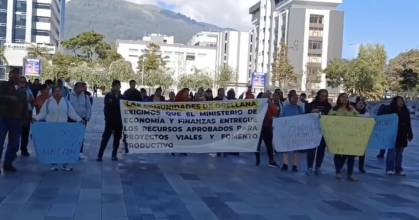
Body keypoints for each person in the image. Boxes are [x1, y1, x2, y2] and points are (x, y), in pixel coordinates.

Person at [34, 86, 82, 171]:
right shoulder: (48, 102)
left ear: (62, 92)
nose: (57, 93)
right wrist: (35, 118)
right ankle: (54, 164)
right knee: (53, 146)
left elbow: (72, 113)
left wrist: (80, 120)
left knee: (64, 147)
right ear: (52, 92)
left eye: (59, 91)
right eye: (55, 91)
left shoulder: (66, 102)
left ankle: (65, 164)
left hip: (63, 129)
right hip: (51, 129)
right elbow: (42, 114)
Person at [0, 69, 28, 173]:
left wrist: (25, 118)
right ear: (9, 76)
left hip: (16, 119)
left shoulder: (22, 90)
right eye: (14, 76)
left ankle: (8, 163)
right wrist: (9, 98)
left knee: (15, 143)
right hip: (3, 117)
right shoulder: (3, 85)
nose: (16, 77)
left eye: (18, 76)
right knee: (0, 142)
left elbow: (25, 105)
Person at [329, 93, 359, 181]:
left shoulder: (351, 109)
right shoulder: (334, 109)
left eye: (346, 98)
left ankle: (350, 174)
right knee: (338, 154)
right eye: (343, 97)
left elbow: (359, 118)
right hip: (338, 136)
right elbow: (329, 121)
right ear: (339, 99)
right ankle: (338, 171)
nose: (345, 99)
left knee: (350, 155)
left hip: (350, 136)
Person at [306, 89, 332, 175]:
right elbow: (305, 115)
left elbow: (332, 118)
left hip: (323, 131)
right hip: (312, 130)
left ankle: (318, 167)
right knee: (311, 149)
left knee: (321, 150)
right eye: (322, 95)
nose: (323, 97)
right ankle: (309, 167)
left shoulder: (328, 106)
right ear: (318, 95)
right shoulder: (311, 104)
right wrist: (311, 112)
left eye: (325, 96)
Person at [386, 96, 413, 176]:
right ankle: (390, 169)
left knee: (400, 153)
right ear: (395, 102)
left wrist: (410, 134)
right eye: (399, 101)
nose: (401, 102)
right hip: (392, 134)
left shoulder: (405, 111)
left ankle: (399, 169)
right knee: (391, 152)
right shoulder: (390, 111)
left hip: (402, 134)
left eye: (402, 100)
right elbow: (386, 122)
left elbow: (408, 123)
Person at [97, 80, 123, 162]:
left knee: (117, 139)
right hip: (110, 122)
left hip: (119, 122)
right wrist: (107, 118)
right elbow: (107, 107)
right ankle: (100, 155)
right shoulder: (108, 96)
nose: (117, 87)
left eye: (118, 86)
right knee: (105, 139)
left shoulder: (122, 97)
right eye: (116, 86)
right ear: (112, 86)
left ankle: (114, 155)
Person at [280, 92, 304, 172]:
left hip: (296, 131)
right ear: (290, 98)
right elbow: (281, 118)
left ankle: (295, 165)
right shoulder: (285, 107)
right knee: (285, 148)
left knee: (296, 149)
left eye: (297, 98)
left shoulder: (299, 108)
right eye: (294, 98)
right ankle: (285, 164)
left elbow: (304, 118)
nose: (295, 100)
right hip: (287, 130)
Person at [68, 82, 92, 158]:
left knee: (80, 136)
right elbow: (66, 107)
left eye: (81, 87)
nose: (81, 89)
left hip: (82, 119)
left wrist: (87, 117)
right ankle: (70, 151)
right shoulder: (69, 96)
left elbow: (89, 107)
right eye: (79, 87)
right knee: (70, 136)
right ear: (75, 87)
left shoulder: (85, 96)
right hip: (71, 119)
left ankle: (80, 152)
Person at [256, 92, 278, 167]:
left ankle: (269, 160)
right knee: (259, 145)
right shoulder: (258, 104)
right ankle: (259, 160)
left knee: (268, 145)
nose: (269, 97)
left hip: (266, 126)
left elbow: (275, 112)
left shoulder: (270, 104)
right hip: (261, 126)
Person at [353, 97, 370, 173]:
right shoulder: (351, 112)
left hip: (362, 136)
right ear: (356, 104)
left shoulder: (366, 113)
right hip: (352, 135)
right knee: (350, 152)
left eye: (362, 104)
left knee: (362, 152)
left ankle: (361, 167)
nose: (361, 105)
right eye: (359, 103)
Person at [19, 77, 35, 157]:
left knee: (25, 132)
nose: (22, 83)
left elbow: (32, 99)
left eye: (23, 82)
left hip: (27, 113)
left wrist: (31, 110)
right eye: (21, 82)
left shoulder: (28, 90)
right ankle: (13, 150)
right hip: (17, 113)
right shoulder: (15, 89)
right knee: (16, 133)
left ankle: (24, 149)